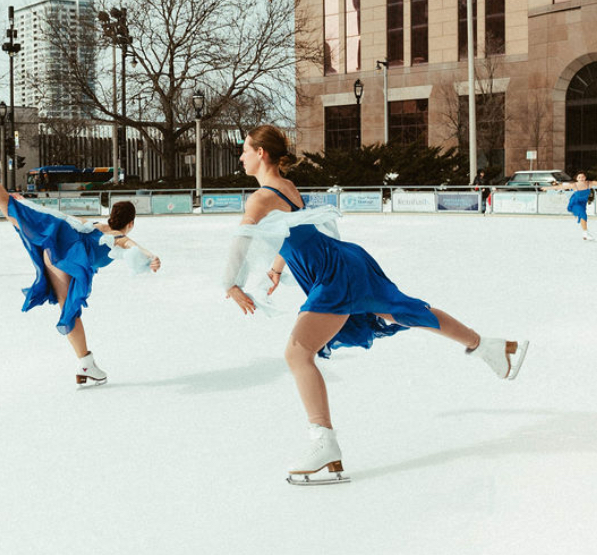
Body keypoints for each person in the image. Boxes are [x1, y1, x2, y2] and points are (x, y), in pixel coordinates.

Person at [222, 125, 528, 484]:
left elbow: (241, 242)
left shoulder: (260, 198)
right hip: (343, 262)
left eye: (245, 149)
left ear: (261, 153)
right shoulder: (285, 187)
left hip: (335, 273)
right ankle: (489, 346)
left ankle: (324, 443)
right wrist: (277, 267)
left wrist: (230, 283)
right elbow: (293, 230)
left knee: (297, 353)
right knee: (404, 310)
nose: (240, 156)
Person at [0, 144, 161, 387]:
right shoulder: (117, 237)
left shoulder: (99, 226)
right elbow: (130, 244)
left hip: (58, 238)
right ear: (131, 223)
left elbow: (73, 221)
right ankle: (85, 363)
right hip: (66, 256)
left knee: (7, 203)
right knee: (69, 311)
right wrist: (151, 256)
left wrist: (31, 207)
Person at [552, 172, 597, 241]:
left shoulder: (589, 183)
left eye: (583, 177)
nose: (581, 178)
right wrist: (551, 187)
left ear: (585, 178)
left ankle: (585, 233)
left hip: (582, 203)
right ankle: (585, 233)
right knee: (582, 214)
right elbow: (560, 186)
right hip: (574, 203)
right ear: (577, 179)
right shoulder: (573, 184)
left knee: (583, 215)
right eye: (579, 177)